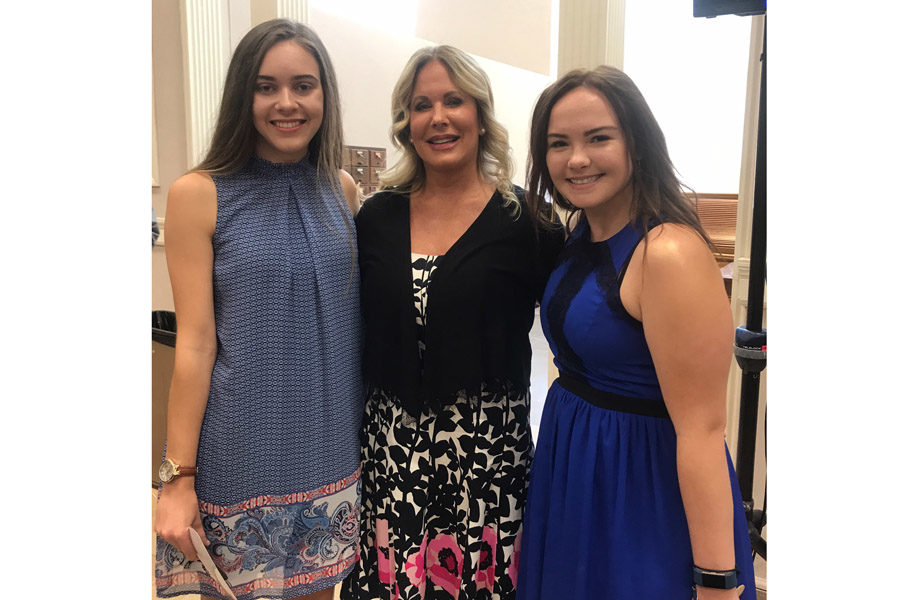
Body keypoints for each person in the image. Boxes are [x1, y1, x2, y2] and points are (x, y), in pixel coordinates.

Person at [517, 66, 756, 600]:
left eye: (598, 138)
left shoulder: (667, 251)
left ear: (636, 143)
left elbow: (701, 430)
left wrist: (717, 582)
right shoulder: (582, 231)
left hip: (638, 488)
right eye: (559, 143)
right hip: (575, 468)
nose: (576, 158)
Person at [340, 46, 563, 600]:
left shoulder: (526, 220)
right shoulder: (376, 216)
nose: (438, 117)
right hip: (390, 455)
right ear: (406, 125)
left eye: (454, 101)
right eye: (422, 105)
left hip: (487, 459)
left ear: (481, 117)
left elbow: (577, 321)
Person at [154, 19, 363, 600]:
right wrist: (178, 477)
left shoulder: (341, 190)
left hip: (331, 448)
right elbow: (195, 343)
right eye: (266, 86)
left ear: (325, 96)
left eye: (304, 85)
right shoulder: (199, 193)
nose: (287, 103)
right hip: (241, 451)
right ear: (242, 95)